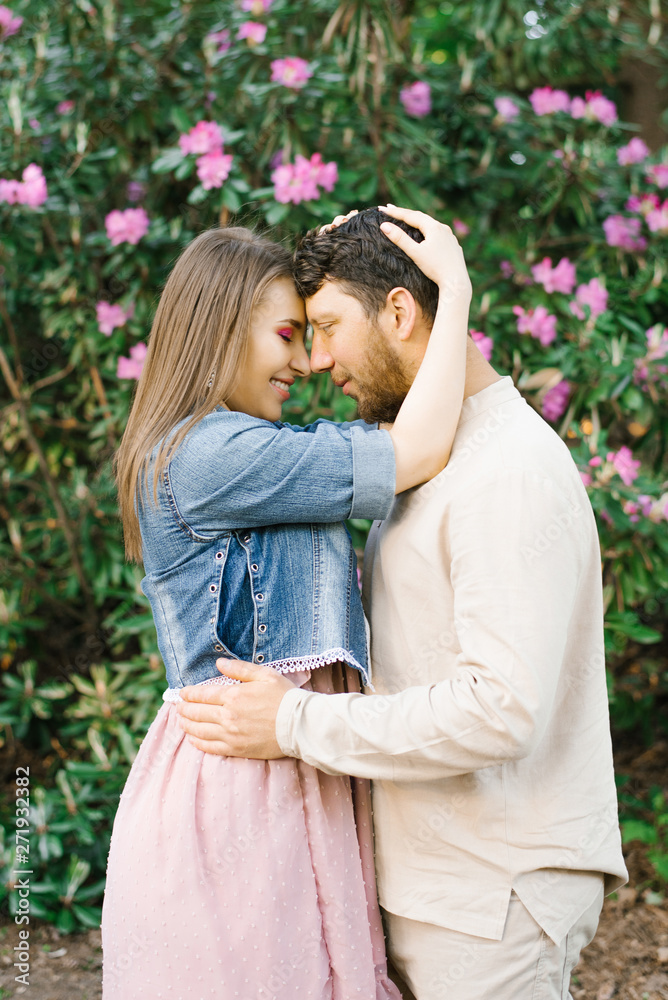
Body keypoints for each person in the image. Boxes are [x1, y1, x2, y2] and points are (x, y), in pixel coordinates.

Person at [177, 206, 629, 1000]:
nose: (315, 361)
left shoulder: (507, 469)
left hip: (497, 897)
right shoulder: (434, 458)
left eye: (325, 327)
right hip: (435, 884)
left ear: (398, 311)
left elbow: (500, 707)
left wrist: (291, 722)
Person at [102, 212, 471, 998]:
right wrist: (457, 294)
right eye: (287, 335)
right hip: (245, 783)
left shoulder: (231, 447)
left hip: (280, 760)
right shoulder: (209, 456)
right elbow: (417, 451)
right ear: (223, 330)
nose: (305, 362)